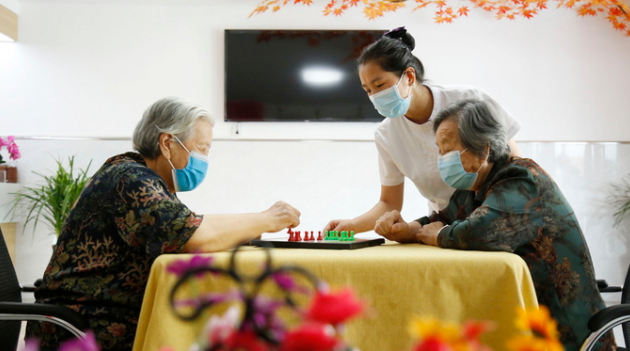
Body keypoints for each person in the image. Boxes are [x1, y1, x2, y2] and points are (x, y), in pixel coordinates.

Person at [25, 97, 301, 350]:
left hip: (105, 317)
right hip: (84, 328)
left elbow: (186, 230)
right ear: (168, 143)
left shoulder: (143, 177)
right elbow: (192, 235)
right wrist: (267, 218)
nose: (205, 159)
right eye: (202, 148)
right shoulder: (129, 178)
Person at [374, 99, 614, 351]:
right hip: (526, 319)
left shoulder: (522, 176)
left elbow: (480, 231)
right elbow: (443, 220)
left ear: (482, 150)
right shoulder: (475, 187)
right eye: (439, 150)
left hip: (565, 329)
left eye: (447, 149)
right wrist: (409, 229)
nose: (441, 158)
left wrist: (439, 235)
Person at [323, 27, 521, 234]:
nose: (375, 96)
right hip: (442, 225)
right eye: (368, 90)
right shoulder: (387, 135)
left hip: (497, 218)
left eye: (380, 85)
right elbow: (389, 202)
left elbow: (514, 165)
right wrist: (352, 226)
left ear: (409, 76)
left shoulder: (470, 99)